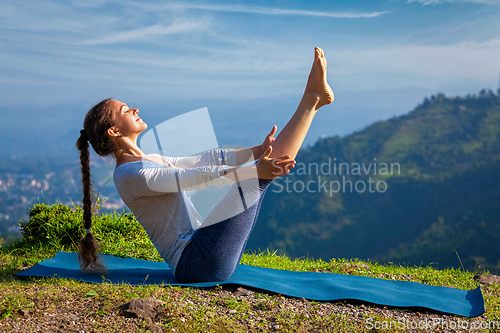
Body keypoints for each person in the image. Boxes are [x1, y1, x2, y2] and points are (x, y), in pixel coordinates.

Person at [75, 47, 334, 282]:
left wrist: (257, 151)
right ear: (113, 132)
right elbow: (195, 176)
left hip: (202, 249)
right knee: (258, 177)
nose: (134, 109)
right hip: (196, 263)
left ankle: (312, 100)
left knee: (261, 170)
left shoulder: (147, 160)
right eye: (124, 111)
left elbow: (203, 161)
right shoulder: (131, 174)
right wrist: (254, 171)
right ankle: (311, 101)